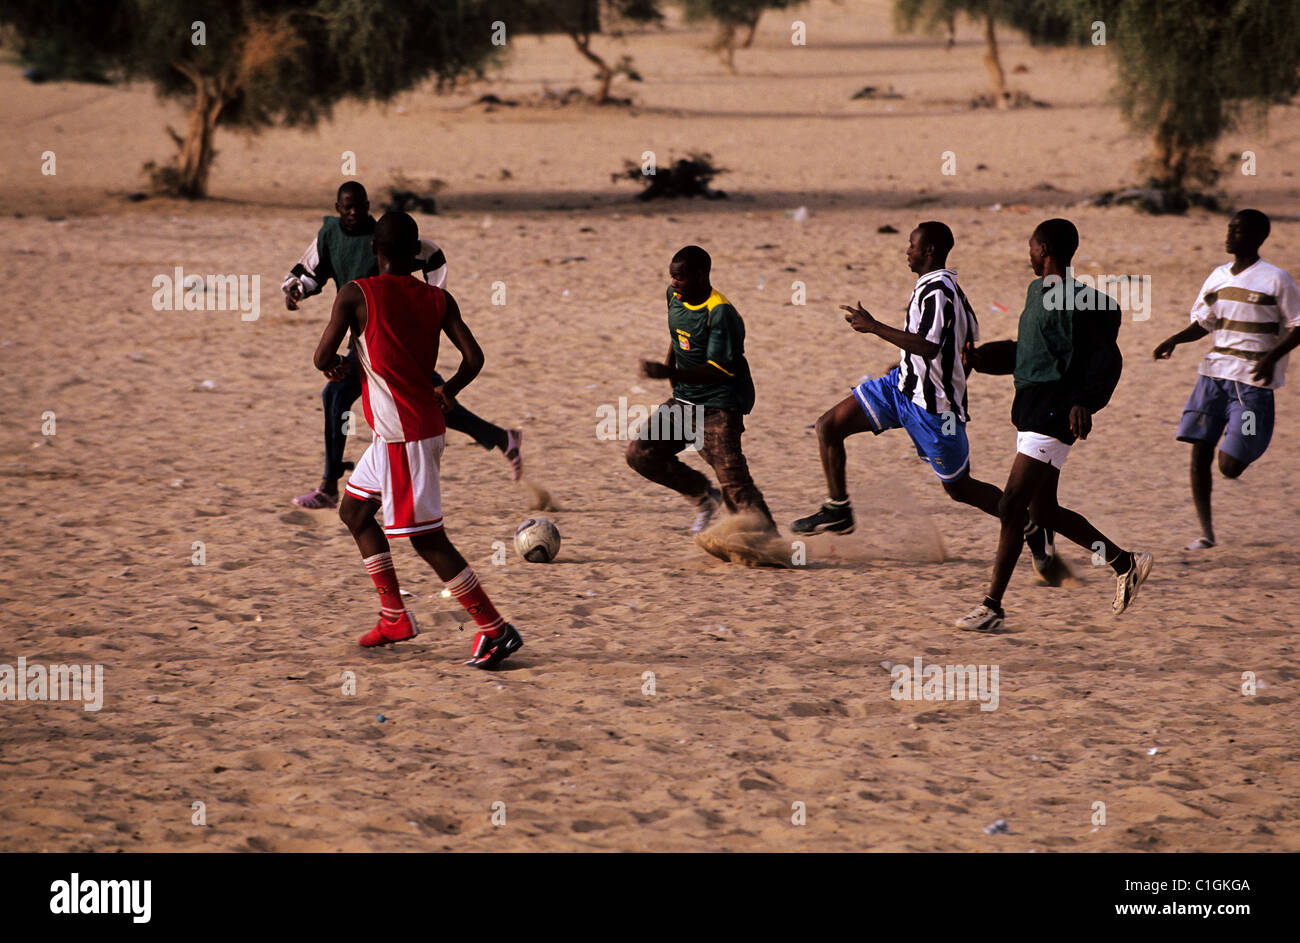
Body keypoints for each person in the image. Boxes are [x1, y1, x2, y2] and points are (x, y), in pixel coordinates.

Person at [313, 212, 523, 667]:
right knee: (353, 511)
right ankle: (394, 616)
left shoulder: (356, 294)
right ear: (416, 253)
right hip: (407, 430)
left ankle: (495, 629)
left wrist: (336, 367)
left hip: (403, 437)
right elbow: (474, 357)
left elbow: (322, 356)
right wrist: (448, 389)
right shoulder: (438, 298)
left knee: (428, 540)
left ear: (374, 250)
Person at [791, 222, 1047, 555]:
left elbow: (930, 347)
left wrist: (874, 327)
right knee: (829, 425)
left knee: (960, 489)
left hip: (934, 410)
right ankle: (838, 509)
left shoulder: (940, 292)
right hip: (900, 389)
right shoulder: (934, 288)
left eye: (911, 245)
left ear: (929, 251)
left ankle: (1025, 522)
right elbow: (959, 351)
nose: (906, 251)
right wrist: (907, 366)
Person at [957, 218, 1152, 632]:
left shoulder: (1081, 301)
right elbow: (1025, 351)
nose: (1027, 253)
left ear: (1044, 249)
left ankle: (992, 606)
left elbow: (1108, 357)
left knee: (1011, 505)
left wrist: (1086, 401)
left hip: (1055, 412)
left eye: (1031, 246)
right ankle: (1124, 562)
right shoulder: (1037, 293)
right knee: (1043, 510)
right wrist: (981, 358)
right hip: (1030, 408)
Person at [285, 181, 522, 509]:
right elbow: (312, 268)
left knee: (407, 399)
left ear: (369, 207)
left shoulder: (383, 237)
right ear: (337, 208)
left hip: (384, 341)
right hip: (368, 340)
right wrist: (297, 289)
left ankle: (329, 486)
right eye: (347, 206)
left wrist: (432, 298)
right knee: (423, 396)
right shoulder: (330, 236)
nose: (354, 211)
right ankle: (499, 437)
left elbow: (431, 255)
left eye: (360, 205)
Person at [1153, 209, 1300, 549]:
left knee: (1230, 466)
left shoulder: (1276, 279)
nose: (1229, 235)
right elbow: (1204, 323)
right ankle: (1206, 533)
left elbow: (1297, 324)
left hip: (1251, 383)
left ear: (1257, 237)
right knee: (1199, 451)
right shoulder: (1218, 276)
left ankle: (1248, 440)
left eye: (1238, 230)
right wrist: (1174, 339)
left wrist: (1271, 357)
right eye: (1229, 229)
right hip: (1213, 378)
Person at [627, 245, 777, 536]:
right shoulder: (674, 297)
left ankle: (767, 540)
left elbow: (717, 369)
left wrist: (668, 372)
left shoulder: (721, 314)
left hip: (720, 406)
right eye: (672, 276)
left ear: (701, 275)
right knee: (641, 453)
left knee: (733, 480)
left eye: (680, 277)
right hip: (684, 401)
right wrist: (673, 375)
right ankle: (704, 497)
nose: (673, 283)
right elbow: (678, 336)